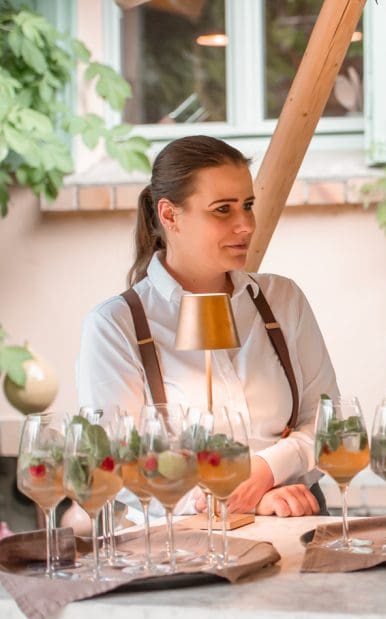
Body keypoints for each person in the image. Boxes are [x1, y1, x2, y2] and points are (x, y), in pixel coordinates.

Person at [76, 135, 337, 517]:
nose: (246, 225)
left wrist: (266, 470)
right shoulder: (116, 326)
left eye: (247, 205)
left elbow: (328, 425)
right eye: (222, 210)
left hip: (295, 519)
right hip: (176, 544)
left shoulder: (283, 300)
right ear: (169, 215)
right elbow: (119, 467)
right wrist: (237, 502)